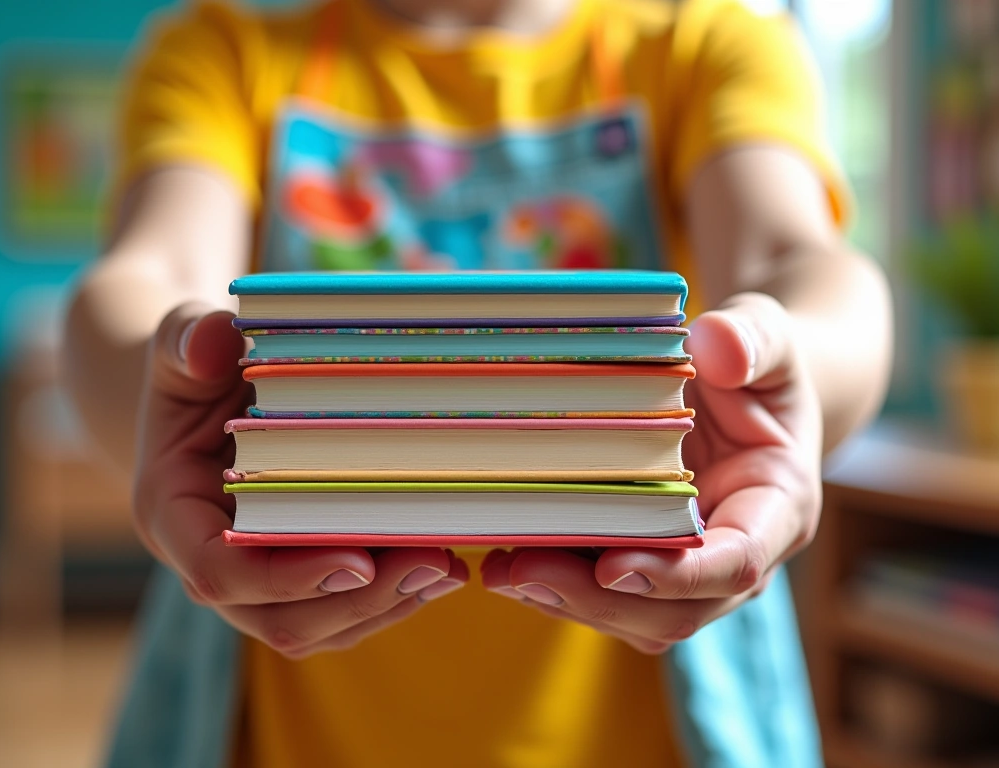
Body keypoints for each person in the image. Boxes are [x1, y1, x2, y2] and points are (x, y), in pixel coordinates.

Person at [64, 0, 892, 765]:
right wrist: (164, 370)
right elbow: (152, 273)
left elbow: (794, 261)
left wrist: (792, 360)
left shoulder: (706, 41)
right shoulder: (226, 53)